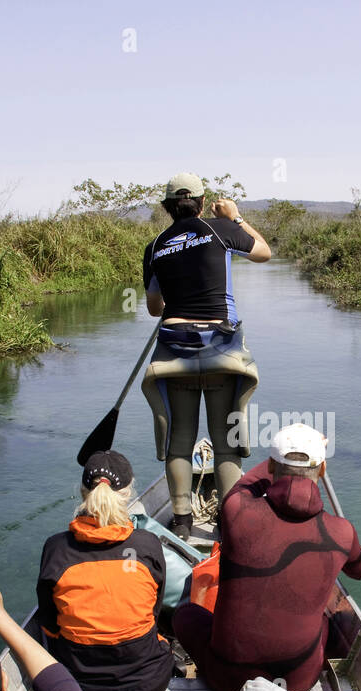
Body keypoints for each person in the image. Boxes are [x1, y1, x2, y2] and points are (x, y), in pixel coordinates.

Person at [172, 423, 361, 691]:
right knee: (328, 620)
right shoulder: (341, 532)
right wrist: (355, 548)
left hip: (227, 680)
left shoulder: (236, 510)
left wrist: (277, 462)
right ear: (323, 470)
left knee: (184, 614)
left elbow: (246, 484)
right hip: (296, 684)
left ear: (270, 466)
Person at [140, 171, 272, 540]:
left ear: (168, 208)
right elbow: (264, 252)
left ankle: (181, 523)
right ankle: (230, 523)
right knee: (225, 441)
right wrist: (236, 217)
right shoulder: (220, 229)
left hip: (174, 348)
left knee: (179, 439)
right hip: (221, 350)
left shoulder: (154, 246)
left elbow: (155, 308)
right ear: (201, 202)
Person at [34, 450, 173, 691]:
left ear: (82, 492)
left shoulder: (56, 549)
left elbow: (49, 624)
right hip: (146, 684)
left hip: (74, 686)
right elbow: (154, 613)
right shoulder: (147, 545)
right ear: (128, 493)